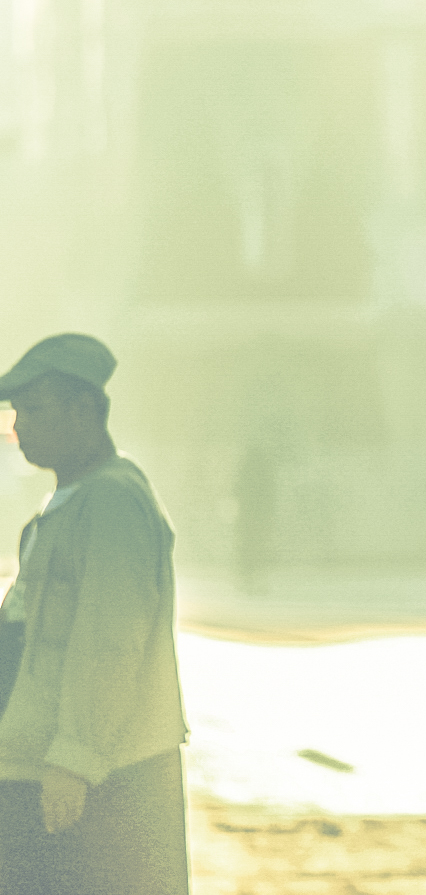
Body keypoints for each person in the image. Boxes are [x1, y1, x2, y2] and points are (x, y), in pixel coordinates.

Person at [0, 334, 190, 895]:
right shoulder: (67, 504)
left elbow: (109, 643)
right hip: (45, 763)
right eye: (15, 413)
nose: (18, 428)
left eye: (33, 410)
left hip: (96, 780)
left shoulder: (110, 502)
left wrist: (75, 760)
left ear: (83, 410)